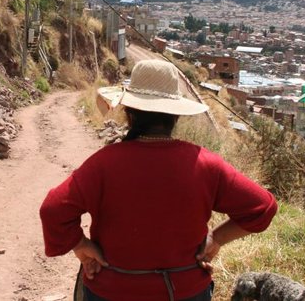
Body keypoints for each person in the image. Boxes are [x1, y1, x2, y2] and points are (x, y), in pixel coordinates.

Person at [39, 59, 278, 301]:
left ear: (130, 113)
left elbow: (53, 210)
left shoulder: (103, 164)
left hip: (112, 291)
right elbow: (264, 207)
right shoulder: (205, 164)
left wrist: (82, 247)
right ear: (175, 115)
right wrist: (216, 238)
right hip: (186, 292)